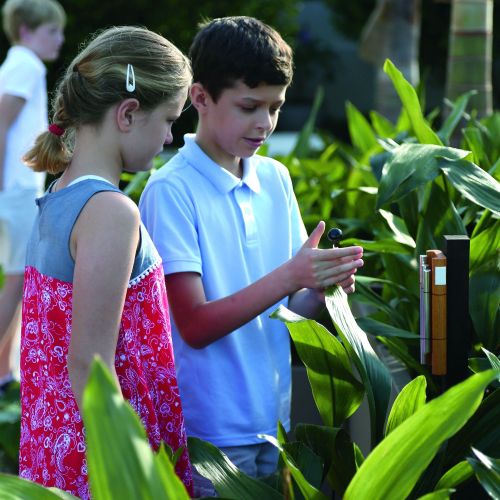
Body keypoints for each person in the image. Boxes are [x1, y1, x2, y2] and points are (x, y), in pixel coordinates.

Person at [139, 15, 364, 497]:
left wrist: (323, 289)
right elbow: (195, 325)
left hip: (274, 422)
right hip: (210, 437)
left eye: (276, 107)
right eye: (248, 106)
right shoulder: (171, 190)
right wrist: (291, 276)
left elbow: (288, 310)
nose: (264, 123)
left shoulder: (277, 180)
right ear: (199, 98)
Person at [19, 26, 193, 498]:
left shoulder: (59, 196)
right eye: (170, 120)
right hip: (102, 460)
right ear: (129, 113)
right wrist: (130, 471)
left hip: (58, 447)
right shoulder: (111, 212)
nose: (171, 136)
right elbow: (90, 365)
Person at [0, 0, 65, 395]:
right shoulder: (26, 64)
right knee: (16, 278)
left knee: (17, 277)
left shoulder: (19, 63)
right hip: (15, 190)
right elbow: (1, 122)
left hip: (17, 189)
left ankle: (6, 366)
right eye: (51, 31)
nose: (58, 39)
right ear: (25, 30)